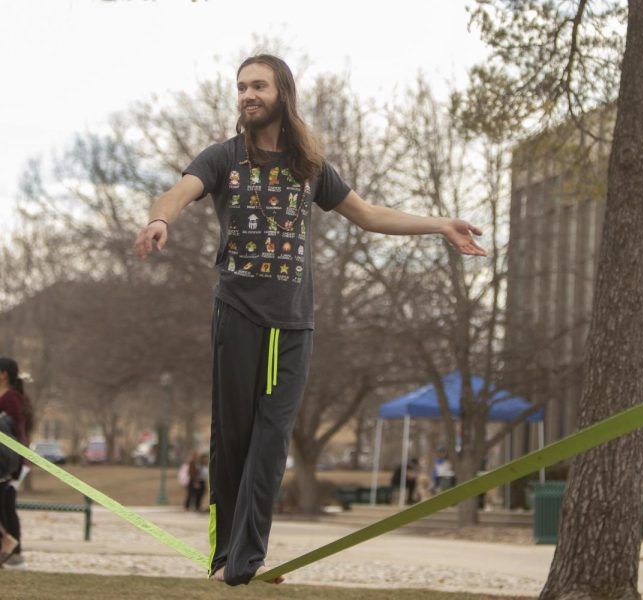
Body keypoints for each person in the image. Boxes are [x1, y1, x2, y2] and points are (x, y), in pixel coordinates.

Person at [132, 54, 486, 586]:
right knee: (233, 437)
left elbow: (367, 215)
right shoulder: (222, 158)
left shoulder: (310, 166)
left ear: (282, 94)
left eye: (258, 86)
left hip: (294, 323)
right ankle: (225, 552)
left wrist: (439, 226)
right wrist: (161, 218)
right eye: (241, 87)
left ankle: (246, 559)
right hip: (238, 314)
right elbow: (180, 190)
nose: (248, 95)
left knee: (273, 440)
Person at [0, 357, 34, 568]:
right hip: (5, 460)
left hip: (8, 461)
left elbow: (16, 431)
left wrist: (17, 461)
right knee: (4, 506)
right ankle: (9, 549)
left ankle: (13, 550)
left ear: (4, 374)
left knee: (7, 506)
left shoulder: (11, 398)